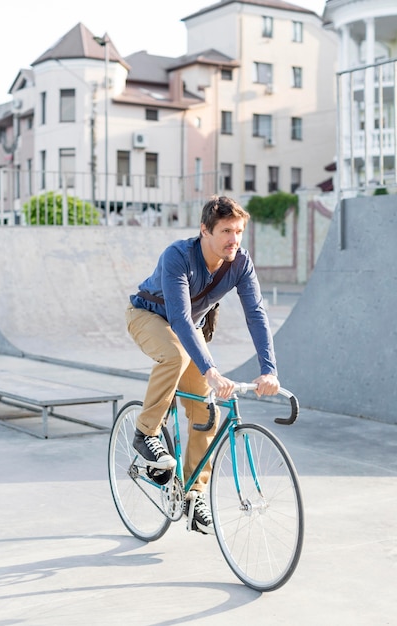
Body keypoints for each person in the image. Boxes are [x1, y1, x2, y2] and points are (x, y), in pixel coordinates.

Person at [125, 195, 280, 534]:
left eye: (238, 231)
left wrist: (269, 369)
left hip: (186, 331)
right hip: (148, 316)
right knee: (177, 354)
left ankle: (195, 497)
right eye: (226, 231)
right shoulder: (178, 256)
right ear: (204, 231)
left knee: (206, 413)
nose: (233, 239)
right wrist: (210, 370)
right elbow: (180, 318)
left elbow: (256, 314)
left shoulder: (240, 263)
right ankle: (145, 432)